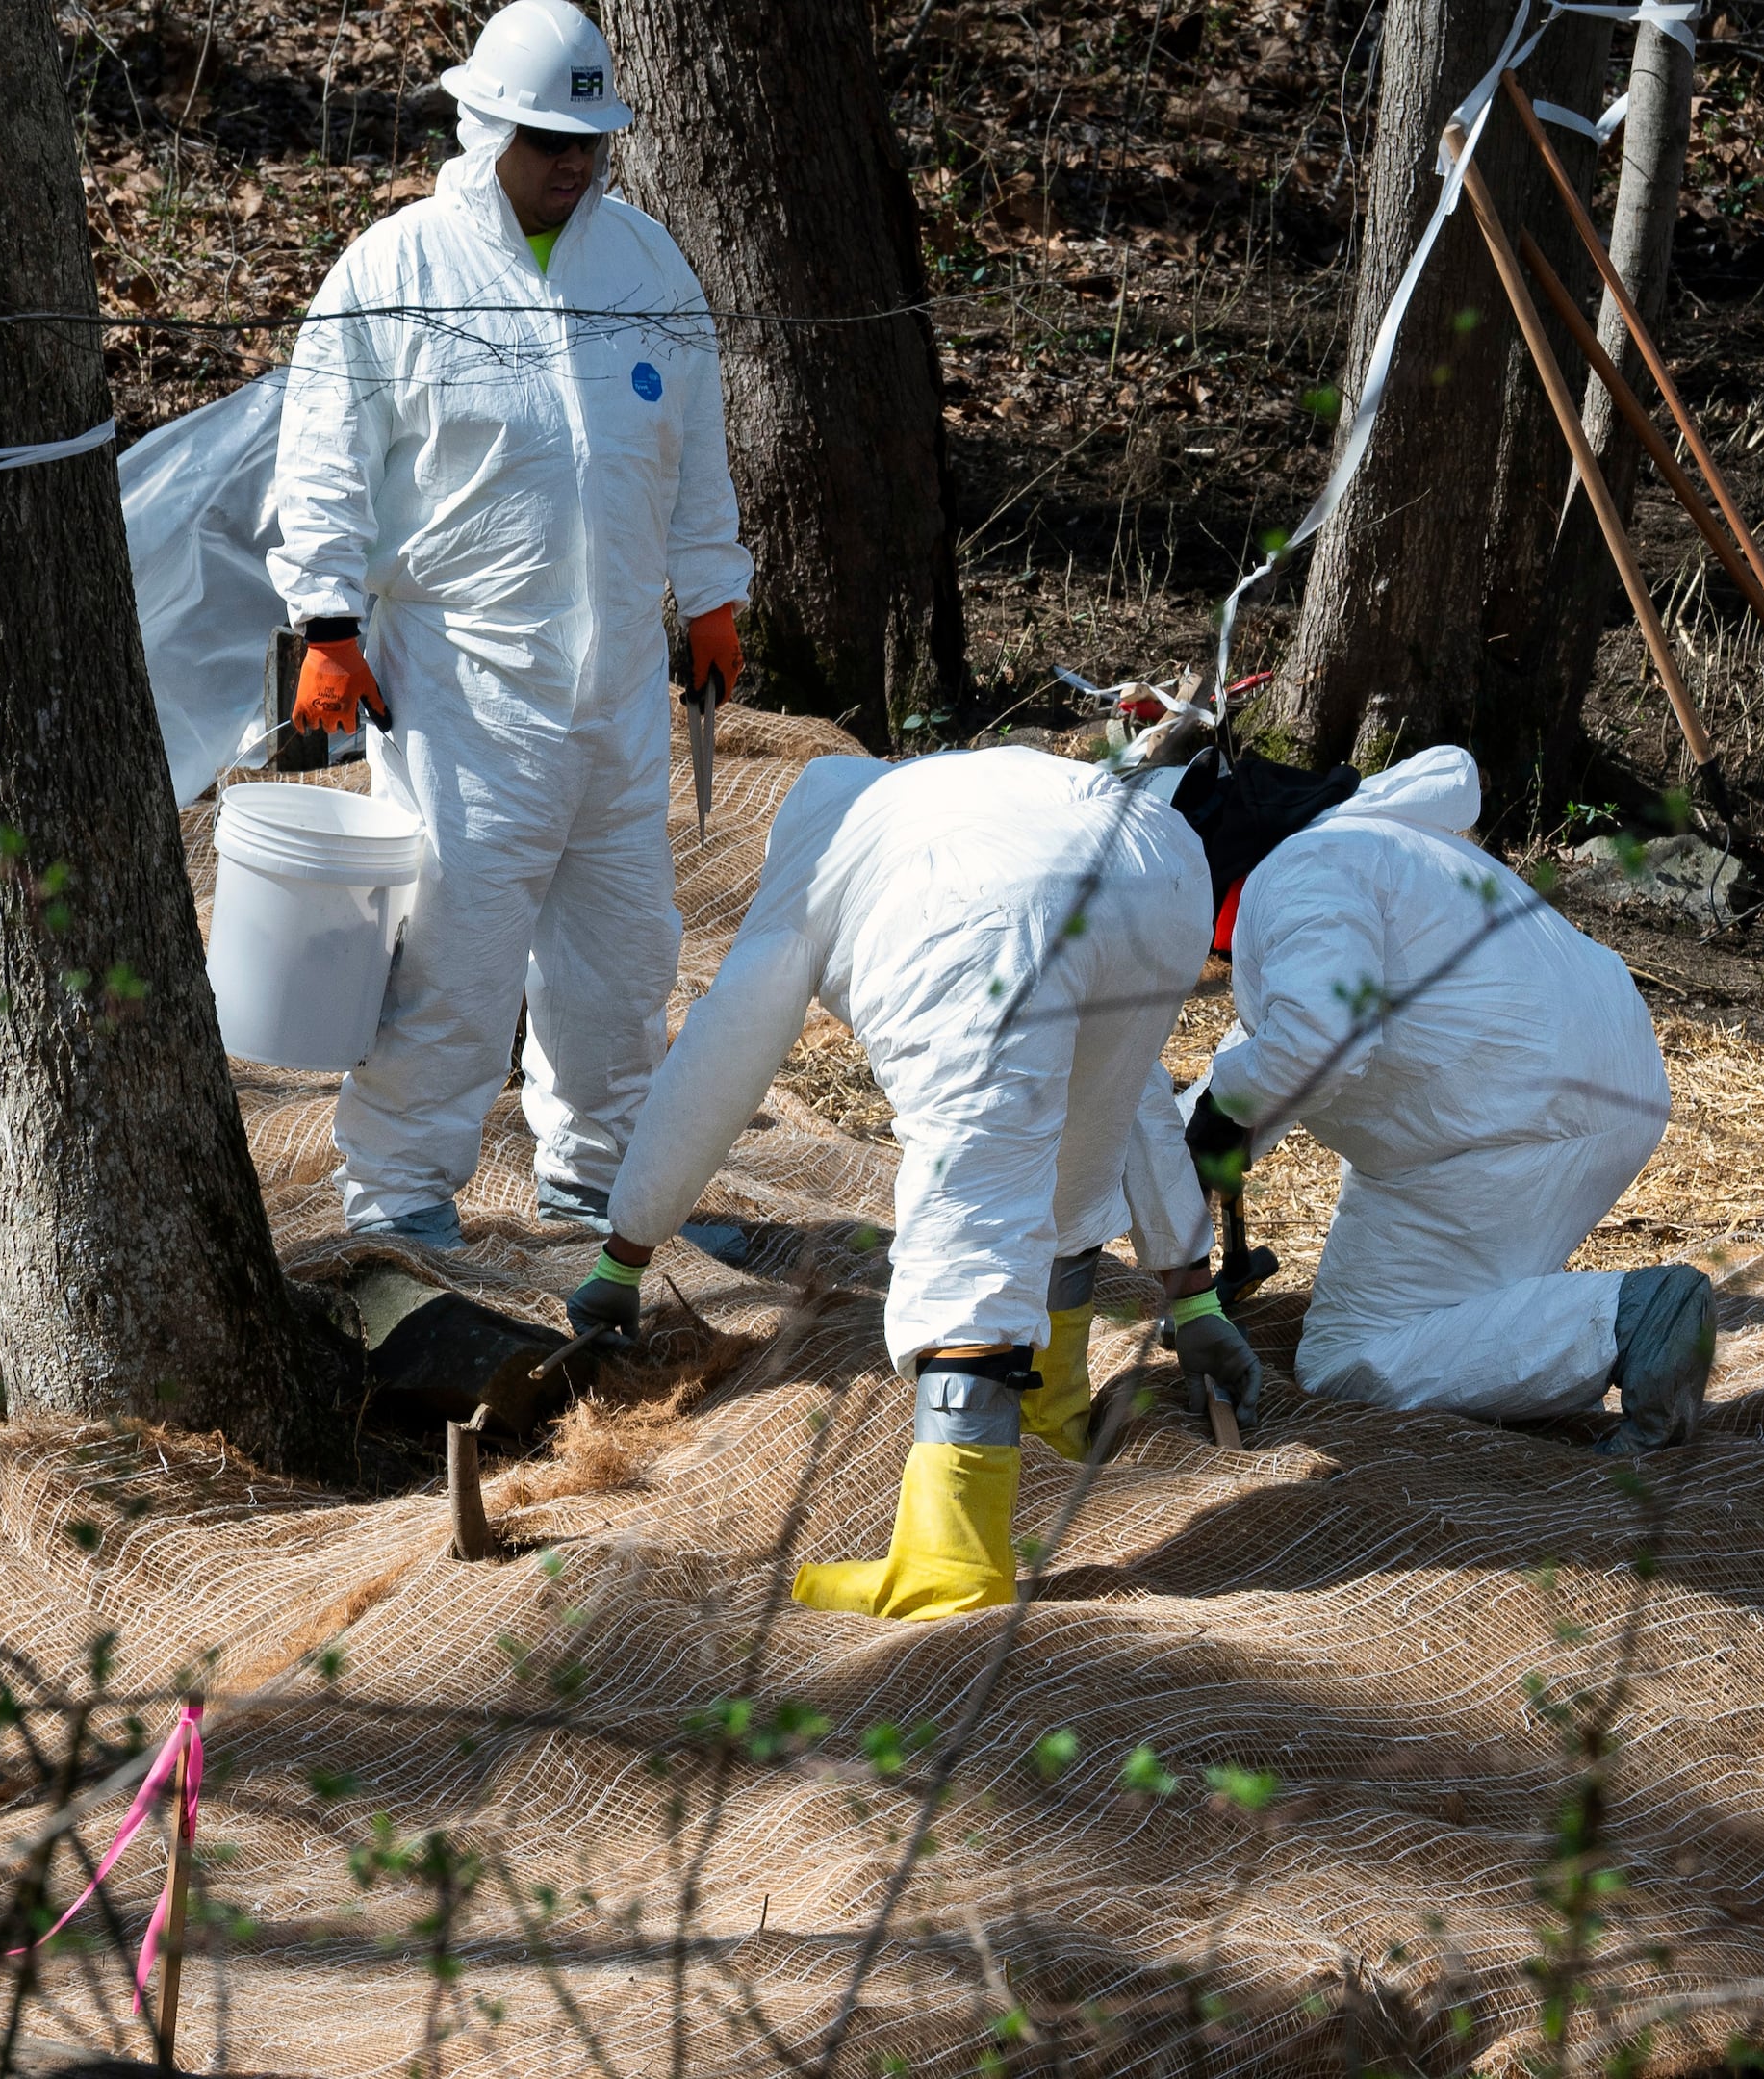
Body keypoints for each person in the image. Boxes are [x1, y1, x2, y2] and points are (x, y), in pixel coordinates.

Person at [559, 748, 1261, 1622]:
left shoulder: (826, 848)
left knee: (977, 1197)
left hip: (981, 903)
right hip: (1161, 868)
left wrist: (625, 1252)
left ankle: (952, 1557)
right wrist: (1193, 1299)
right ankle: (1055, 1407)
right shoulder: (947, 792)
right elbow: (1139, 1103)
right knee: (1088, 1120)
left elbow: (716, 1067)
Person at [267, 0, 750, 1249]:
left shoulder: (647, 268)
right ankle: (400, 1200)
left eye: (588, 137)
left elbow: (694, 452)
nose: (572, 160)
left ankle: (604, 1182)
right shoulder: (398, 270)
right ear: (484, 126)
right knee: (452, 952)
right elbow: (323, 454)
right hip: (459, 688)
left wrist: (711, 592)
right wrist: (326, 618)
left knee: (622, 958)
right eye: (546, 137)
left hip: (619, 694)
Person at [1169, 744, 1708, 1453]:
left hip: (1510, 1126)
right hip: (1559, 1098)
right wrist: (1202, 1132)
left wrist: (1218, 1116)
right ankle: (1606, 1326)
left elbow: (1321, 1035)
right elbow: (1273, 1037)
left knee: (1350, 1357)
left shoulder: (1296, 875)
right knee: (1441, 1322)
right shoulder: (1353, 849)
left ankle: (1628, 1323)